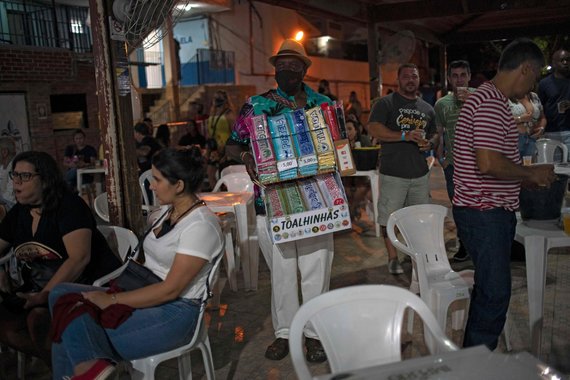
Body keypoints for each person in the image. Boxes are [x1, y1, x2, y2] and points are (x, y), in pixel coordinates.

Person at [49, 147, 224, 379]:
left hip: (175, 312)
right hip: (145, 290)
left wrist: (110, 299)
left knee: (70, 331)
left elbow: (170, 290)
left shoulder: (201, 226)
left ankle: (90, 368)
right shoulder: (167, 212)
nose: (151, 185)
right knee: (60, 293)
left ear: (179, 185)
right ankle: (92, 368)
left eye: (157, 179)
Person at [231, 39, 333, 363]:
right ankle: (286, 333)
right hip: (271, 202)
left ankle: (316, 335)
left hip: (317, 200)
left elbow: (341, 140)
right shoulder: (255, 104)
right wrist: (246, 154)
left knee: (316, 269)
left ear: (305, 70)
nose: (286, 69)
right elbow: (231, 145)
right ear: (274, 70)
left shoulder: (322, 104)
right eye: (281, 64)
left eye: (293, 64)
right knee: (282, 271)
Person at [452, 38, 556, 350]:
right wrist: (530, 173)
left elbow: (491, 162)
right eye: (535, 76)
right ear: (526, 69)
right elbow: (487, 163)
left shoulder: (491, 99)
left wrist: (522, 180)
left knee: (489, 291)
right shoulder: (489, 102)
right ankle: (474, 364)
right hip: (483, 214)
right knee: (495, 293)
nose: (532, 84)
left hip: (487, 212)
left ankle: (476, 359)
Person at [0, 151, 121, 366]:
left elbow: (79, 258)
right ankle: (74, 364)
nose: (16, 182)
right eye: (14, 175)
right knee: (7, 324)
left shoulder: (69, 206)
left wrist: (44, 296)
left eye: (25, 176)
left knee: (38, 319)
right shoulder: (19, 213)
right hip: (38, 289)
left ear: (45, 180)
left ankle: (77, 366)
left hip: (83, 287)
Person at [367, 63, 438, 275]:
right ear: (398, 80)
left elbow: (435, 134)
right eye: (406, 76)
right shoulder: (386, 103)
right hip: (393, 173)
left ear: (419, 80)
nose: (410, 80)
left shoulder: (427, 108)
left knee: (420, 219)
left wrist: (431, 143)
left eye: (414, 76)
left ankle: (414, 254)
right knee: (390, 218)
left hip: (419, 173)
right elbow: (374, 128)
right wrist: (405, 136)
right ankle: (392, 258)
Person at [434, 60, 475, 262]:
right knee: (458, 207)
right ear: (449, 79)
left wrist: (473, 100)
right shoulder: (442, 104)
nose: (459, 79)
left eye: (463, 75)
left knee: (479, 206)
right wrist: (441, 159)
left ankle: (481, 244)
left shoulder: (481, 97)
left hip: (479, 165)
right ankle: (464, 245)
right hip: (454, 165)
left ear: (469, 76)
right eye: (455, 75)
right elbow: (439, 133)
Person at [538, 48, 570, 158]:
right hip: (551, 132)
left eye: (568, 60)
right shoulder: (544, 83)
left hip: (569, 130)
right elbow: (540, 107)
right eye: (562, 60)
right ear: (554, 63)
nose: (565, 63)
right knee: (553, 166)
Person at [206, 90, 235, 188]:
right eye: (215, 98)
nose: (216, 100)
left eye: (219, 98)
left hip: (226, 148)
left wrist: (229, 151)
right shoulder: (212, 113)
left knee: (225, 174)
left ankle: (227, 195)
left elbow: (234, 132)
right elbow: (209, 133)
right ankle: (216, 195)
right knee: (210, 173)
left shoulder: (229, 114)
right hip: (215, 149)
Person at [509, 91, 546, 158]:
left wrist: (541, 128)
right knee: (514, 166)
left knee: (530, 166)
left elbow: (542, 117)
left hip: (531, 139)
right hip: (514, 140)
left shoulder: (534, 95)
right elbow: (499, 120)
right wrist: (520, 119)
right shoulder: (506, 95)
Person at [0, 138, 17, 219]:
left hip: (13, 213)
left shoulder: (16, 168)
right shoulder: (2, 167)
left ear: (4, 152)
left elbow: (10, 200)